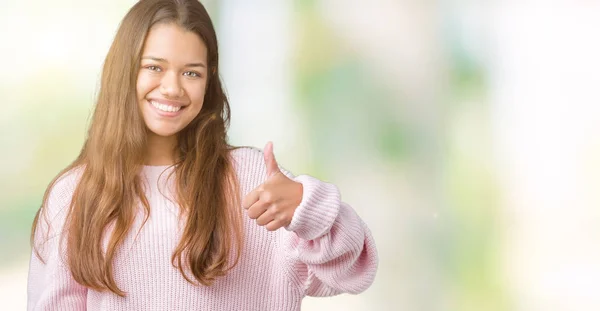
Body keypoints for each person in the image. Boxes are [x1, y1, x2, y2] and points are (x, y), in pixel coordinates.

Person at [27, 0, 378, 310]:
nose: (173, 88)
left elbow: (351, 273)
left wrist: (308, 207)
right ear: (124, 70)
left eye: (191, 72)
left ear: (209, 79)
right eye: (154, 67)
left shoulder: (250, 180)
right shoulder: (74, 194)